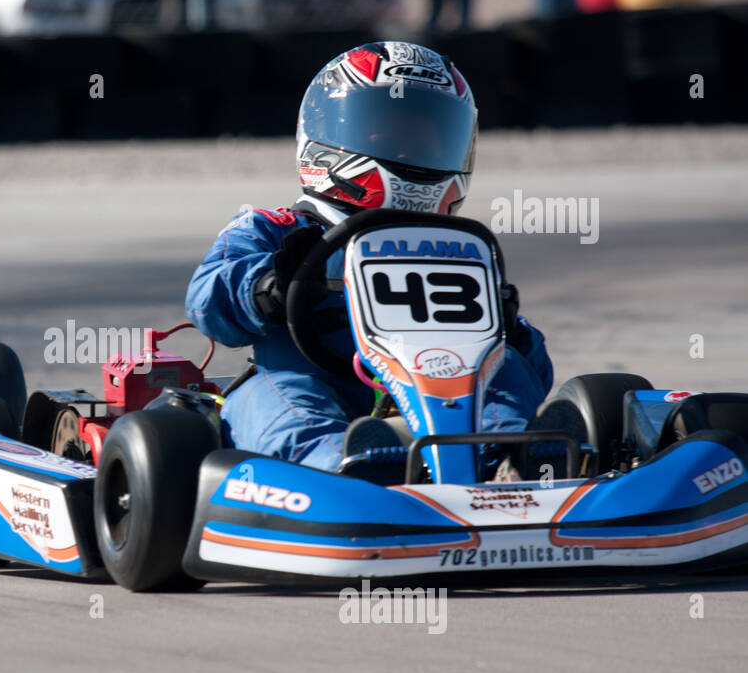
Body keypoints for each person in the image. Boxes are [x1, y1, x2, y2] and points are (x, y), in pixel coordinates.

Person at [185, 41, 555, 476]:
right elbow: (206, 298)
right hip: (313, 377)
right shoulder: (276, 228)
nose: (411, 150)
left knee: (505, 371)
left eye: (427, 138)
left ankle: (511, 459)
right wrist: (264, 288)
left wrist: (510, 329)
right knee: (273, 399)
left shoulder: (453, 245)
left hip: (439, 390)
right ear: (328, 135)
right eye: (392, 135)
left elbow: (536, 374)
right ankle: (347, 471)